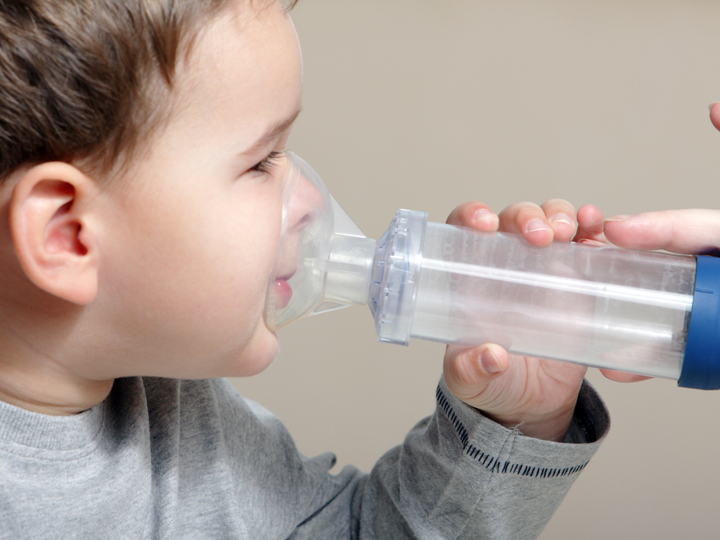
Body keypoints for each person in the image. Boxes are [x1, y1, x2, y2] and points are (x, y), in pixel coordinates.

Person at [0, 1, 610, 538]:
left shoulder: (190, 427)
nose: (312, 201)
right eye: (262, 162)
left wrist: (511, 419)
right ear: (68, 235)